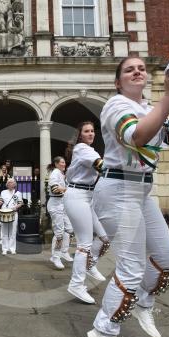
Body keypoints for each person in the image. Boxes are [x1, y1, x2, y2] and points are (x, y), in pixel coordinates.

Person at [88, 56, 169, 337]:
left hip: (141, 191)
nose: (137, 71)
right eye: (129, 69)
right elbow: (137, 136)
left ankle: (142, 303)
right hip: (117, 190)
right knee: (131, 267)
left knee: (166, 256)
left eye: (141, 67)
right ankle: (104, 330)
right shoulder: (115, 105)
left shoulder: (151, 108)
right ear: (118, 82)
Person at [63, 121, 110, 304]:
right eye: (86, 131)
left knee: (105, 238)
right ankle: (77, 284)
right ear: (80, 135)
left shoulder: (89, 149)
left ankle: (89, 265)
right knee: (84, 243)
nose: (90, 134)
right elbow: (102, 166)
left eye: (92, 131)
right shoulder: (82, 148)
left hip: (88, 196)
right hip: (76, 195)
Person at [47, 156, 74, 269]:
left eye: (64, 162)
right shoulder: (55, 173)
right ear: (56, 164)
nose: (64, 164)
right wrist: (70, 189)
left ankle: (63, 251)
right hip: (55, 205)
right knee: (59, 233)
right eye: (62, 162)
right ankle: (56, 257)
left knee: (69, 229)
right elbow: (55, 190)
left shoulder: (61, 174)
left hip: (63, 205)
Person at [0, 177, 23, 254]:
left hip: (14, 213)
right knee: (5, 232)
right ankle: (5, 249)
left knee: (13, 231)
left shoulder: (18, 193)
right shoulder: (3, 192)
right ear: (7, 184)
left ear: (15, 184)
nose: (10, 183)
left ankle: (12, 248)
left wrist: (16, 207)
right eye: (9, 182)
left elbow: (20, 203)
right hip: (4, 213)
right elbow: (1, 201)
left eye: (12, 182)